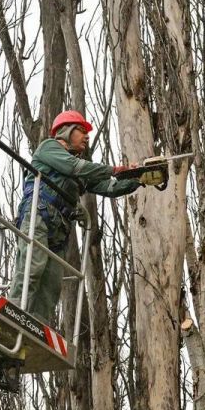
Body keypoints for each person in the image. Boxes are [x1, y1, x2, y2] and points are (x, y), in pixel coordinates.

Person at [11, 110, 142, 324]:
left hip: (59, 229)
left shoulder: (79, 170)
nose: (86, 136)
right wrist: (114, 169)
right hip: (38, 216)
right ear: (66, 131)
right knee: (32, 268)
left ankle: (36, 326)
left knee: (51, 283)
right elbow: (75, 167)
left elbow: (108, 187)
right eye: (81, 130)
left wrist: (137, 177)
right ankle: (13, 312)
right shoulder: (49, 148)